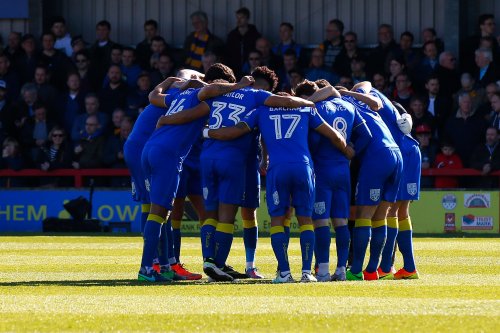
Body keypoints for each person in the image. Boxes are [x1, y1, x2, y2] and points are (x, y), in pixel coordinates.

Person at [159, 65, 319, 282]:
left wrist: (176, 122)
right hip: (234, 159)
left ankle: (210, 259)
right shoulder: (256, 97)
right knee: (227, 215)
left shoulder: (217, 95)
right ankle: (217, 264)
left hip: (207, 157)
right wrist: (310, 102)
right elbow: (286, 102)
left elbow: (188, 111)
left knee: (210, 213)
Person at [202, 83, 353, 283]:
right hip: (303, 167)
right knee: (305, 219)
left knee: (278, 220)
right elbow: (334, 135)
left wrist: (207, 132)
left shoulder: (261, 111)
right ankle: (307, 273)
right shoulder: (305, 108)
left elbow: (235, 131)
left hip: (278, 169)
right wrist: (347, 152)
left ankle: (284, 272)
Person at [137, 65, 254, 282]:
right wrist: (239, 86)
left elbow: (154, 97)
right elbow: (209, 91)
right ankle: (146, 269)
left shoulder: (178, 95)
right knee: (159, 213)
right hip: (168, 154)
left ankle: (162, 267)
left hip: (150, 149)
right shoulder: (203, 96)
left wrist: (168, 81)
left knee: (162, 212)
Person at [295, 79, 371, 281]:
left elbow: (316, 139)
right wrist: (351, 154)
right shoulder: (348, 106)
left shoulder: (317, 107)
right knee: (341, 222)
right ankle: (340, 270)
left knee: (320, 222)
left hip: (323, 170)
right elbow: (366, 135)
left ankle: (324, 271)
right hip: (342, 172)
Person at [337, 82, 403, 281]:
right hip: (396, 155)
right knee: (380, 216)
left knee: (363, 216)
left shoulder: (345, 107)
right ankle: (372, 270)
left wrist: (350, 152)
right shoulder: (361, 101)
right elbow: (367, 87)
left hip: (376, 157)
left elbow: (363, 136)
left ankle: (356, 270)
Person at [444, 93, 488, 167]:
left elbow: (484, 139)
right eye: (465, 102)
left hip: (476, 160)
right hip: (456, 159)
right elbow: (447, 138)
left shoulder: (480, 120)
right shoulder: (451, 121)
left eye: (469, 102)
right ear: (460, 103)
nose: (467, 104)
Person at [225, 7, 261, 77]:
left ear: (247, 19)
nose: (239, 20)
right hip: (234, 70)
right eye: (237, 18)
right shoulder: (232, 35)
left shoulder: (255, 35)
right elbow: (228, 53)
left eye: (241, 18)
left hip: (251, 70)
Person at [89, 20, 120, 84]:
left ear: (109, 31)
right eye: (99, 30)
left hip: (109, 80)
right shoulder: (91, 48)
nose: (101, 32)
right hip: (93, 80)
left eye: (104, 30)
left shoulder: (114, 47)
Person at [415, 123, 437, 188]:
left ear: (430, 136)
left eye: (426, 135)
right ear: (417, 136)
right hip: (416, 183)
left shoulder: (435, 148)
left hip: (430, 183)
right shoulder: (413, 149)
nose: (424, 137)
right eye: (420, 135)